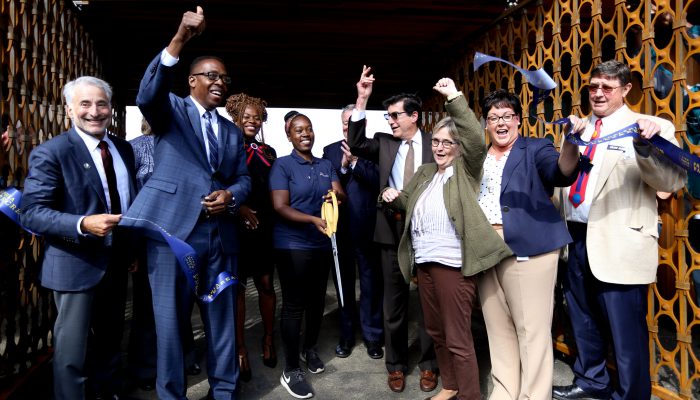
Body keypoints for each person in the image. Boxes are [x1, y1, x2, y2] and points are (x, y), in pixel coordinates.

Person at [122, 7, 251, 399]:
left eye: (224, 78)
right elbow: (147, 94)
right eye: (212, 75)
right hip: (172, 237)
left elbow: (244, 179)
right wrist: (179, 38)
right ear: (192, 80)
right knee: (170, 326)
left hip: (220, 239)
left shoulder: (231, 131)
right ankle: (171, 394)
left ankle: (225, 391)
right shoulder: (171, 111)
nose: (220, 82)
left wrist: (230, 196)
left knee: (223, 322)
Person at [552, 60, 687, 400]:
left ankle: (631, 395)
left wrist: (645, 148)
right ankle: (591, 382)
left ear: (627, 90)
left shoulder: (652, 127)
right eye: (594, 86)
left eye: (607, 88)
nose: (598, 93)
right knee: (582, 320)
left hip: (619, 241)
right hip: (575, 239)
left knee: (625, 332)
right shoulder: (579, 128)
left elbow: (670, 181)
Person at [380, 77, 513, 400]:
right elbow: (407, 202)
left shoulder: (466, 171)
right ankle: (450, 386)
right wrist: (391, 194)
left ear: (458, 148)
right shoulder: (426, 173)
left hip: (453, 265)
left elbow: (474, 138)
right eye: (436, 141)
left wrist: (453, 97)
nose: (439, 148)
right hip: (424, 264)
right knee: (437, 333)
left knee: (457, 337)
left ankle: (469, 395)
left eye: (446, 143)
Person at [19, 76, 136, 400]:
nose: (94, 111)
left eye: (101, 104)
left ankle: (108, 393)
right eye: (85, 104)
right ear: (69, 109)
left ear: (110, 108)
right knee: (72, 355)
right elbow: (31, 213)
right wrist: (83, 224)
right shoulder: (52, 152)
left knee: (111, 341)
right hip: (75, 266)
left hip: (116, 262)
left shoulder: (123, 148)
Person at [475, 89, 580, 400]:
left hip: (530, 249)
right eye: (494, 118)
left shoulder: (536, 148)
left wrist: (571, 140)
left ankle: (535, 395)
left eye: (507, 116)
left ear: (518, 120)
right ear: (486, 124)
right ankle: (506, 391)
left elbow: (561, 172)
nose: (501, 123)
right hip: (485, 247)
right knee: (498, 328)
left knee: (531, 332)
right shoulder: (478, 157)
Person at [347, 65, 438, 393]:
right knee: (394, 303)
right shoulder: (384, 144)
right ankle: (396, 364)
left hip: (429, 235)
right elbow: (356, 142)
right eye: (388, 117)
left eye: (395, 116)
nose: (391, 121)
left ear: (414, 116)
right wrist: (362, 99)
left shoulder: (436, 144)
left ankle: (429, 363)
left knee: (430, 304)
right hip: (390, 232)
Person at [270, 110, 346, 399]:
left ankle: (309, 349)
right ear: (289, 135)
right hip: (292, 244)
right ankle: (291, 369)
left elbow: (341, 194)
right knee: (294, 304)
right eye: (298, 130)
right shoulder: (282, 165)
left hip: (322, 243)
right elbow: (280, 206)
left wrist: (335, 196)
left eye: (309, 129)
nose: (305, 134)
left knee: (316, 302)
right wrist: (313, 220)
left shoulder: (326, 164)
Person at [127, 118, 201, 392]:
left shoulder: (186, 148)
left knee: (183, 303)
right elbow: (130, 196)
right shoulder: (134, 148)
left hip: (184, 236)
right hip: (149, 238)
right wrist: (132, 246)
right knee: (147, 307)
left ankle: (185, 357)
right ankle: (145, 367)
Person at [322, 104, 384, 360]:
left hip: (368, 227)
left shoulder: (375, 148)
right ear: (342, 125)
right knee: (343, 283)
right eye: (346, 124)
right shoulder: (330, 151)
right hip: (340, 228)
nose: (349, 127)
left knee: (371, 284)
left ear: (364, 124)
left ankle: (373, 336)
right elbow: (332, 184)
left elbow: (379, 180)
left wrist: (356, 162)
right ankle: (347, 336)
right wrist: (344, 167)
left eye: (353, 123)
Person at [224, 92, 278, 381]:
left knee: (267, 283)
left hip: (265, 227)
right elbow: (218, 183)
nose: (252, 120)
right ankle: (241, 348)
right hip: (235, 225)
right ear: (235, 116)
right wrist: (238, 206)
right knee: (239, 288)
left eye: (257, 116)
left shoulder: (269, 152)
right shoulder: (225, 148)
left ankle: (269, 338)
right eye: (246, 116)